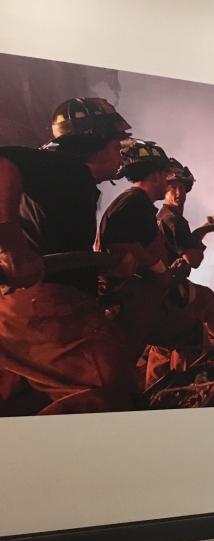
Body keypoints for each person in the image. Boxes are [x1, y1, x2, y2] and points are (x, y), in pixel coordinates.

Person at [0, 97, 139, 414]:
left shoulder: (68, 178)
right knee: (108, 389)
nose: (121, 151)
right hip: (44, 306)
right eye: (117, 142)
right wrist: (10, 249)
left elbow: (55, 241)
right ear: (96, 140)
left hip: (22, 307)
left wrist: (104, 267)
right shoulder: (64, 167)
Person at [98, 140, 202, 368]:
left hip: (136, 296)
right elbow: (120, 245)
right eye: (166, 175)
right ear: (155, 175)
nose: (170, 184)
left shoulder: (137, 203)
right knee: (188, 330)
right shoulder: (135, 202)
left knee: (176, 334)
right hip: (130, 298)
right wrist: (159, 269)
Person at [156, 159, 214, 339]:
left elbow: (185, 243)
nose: (179, 192)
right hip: (170, 291)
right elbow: (193, 260)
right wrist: (198, 247)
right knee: (207, 299)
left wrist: (207, 228)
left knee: (165, 347)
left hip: (158, 293)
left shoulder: (164, 216)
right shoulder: (173, 220)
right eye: (172, 187)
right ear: (164, 189)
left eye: (182, 187)